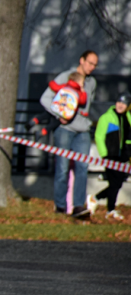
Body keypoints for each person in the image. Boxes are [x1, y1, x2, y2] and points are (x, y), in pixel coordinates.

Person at [39, 50, 98, 218]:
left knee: (82, 168)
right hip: (65, 130)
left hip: (83, 131)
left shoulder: (92, 82)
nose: (92, 67)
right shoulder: (65, 77)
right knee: (62, 169)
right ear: (82, 60)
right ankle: (60, 207)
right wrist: (59, 115)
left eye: (95, 65)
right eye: (90, 63)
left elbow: (87, 105)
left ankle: (79, 207)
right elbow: (45, 99)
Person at [88, 92, 131, 220]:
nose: (120, 105)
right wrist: (104, 155)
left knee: (117, 184)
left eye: (123, 103)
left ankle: (95, 198)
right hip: (110, 156)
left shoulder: (128, 118)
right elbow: (99, 136)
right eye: (118, 102)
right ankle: (110, 210)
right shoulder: (106, 117)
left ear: (128, 105)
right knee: (114, 183)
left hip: (123, 157)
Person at [28, 71, 87, 136]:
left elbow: (55, 87)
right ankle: (43, 132)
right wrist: (83, 92)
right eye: (82, 82)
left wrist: (51, 82)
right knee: (56, 122)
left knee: (47, 114)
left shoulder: (65, 86)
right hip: (66, 112)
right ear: (78, 82)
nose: (83, 85)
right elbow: (82, 101)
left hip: (58, 106)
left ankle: (35, 120)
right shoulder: (78, 92)